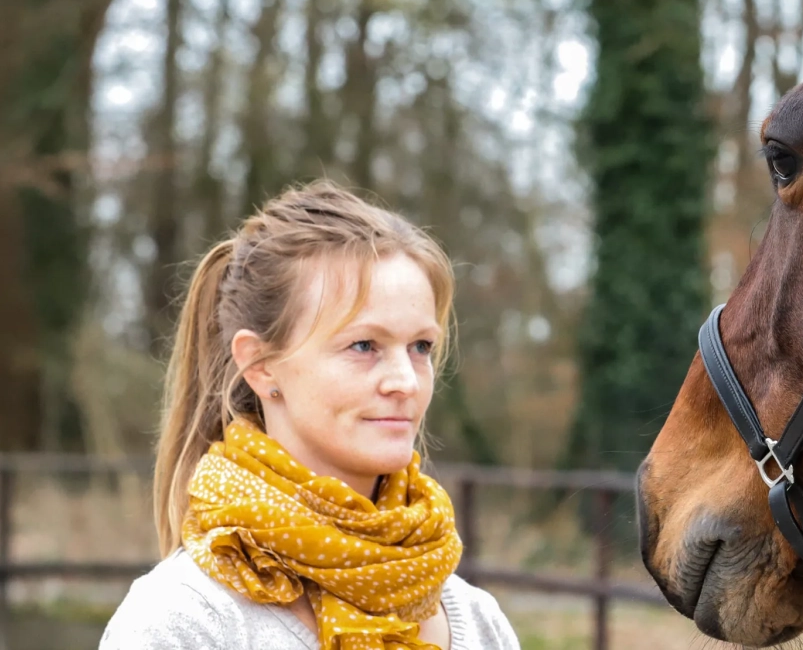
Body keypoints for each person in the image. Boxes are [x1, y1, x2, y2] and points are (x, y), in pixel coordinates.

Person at [100, 180, 520, 650]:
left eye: (421, 346)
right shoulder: (185, 622)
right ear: (259, 365)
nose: (406, 381)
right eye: (364, 345)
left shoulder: (481, 624)